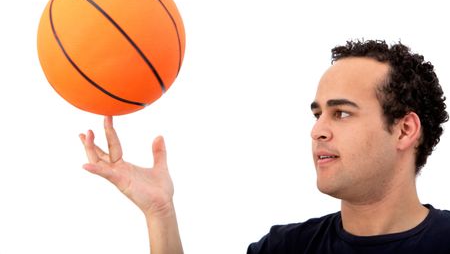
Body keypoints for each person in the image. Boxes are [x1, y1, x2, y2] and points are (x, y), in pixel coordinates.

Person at [80, 39, 450, 254]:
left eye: (341, 114)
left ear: (404, 130)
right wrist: (160, 213)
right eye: (318, 114)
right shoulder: (285, 249)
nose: (317, 131)